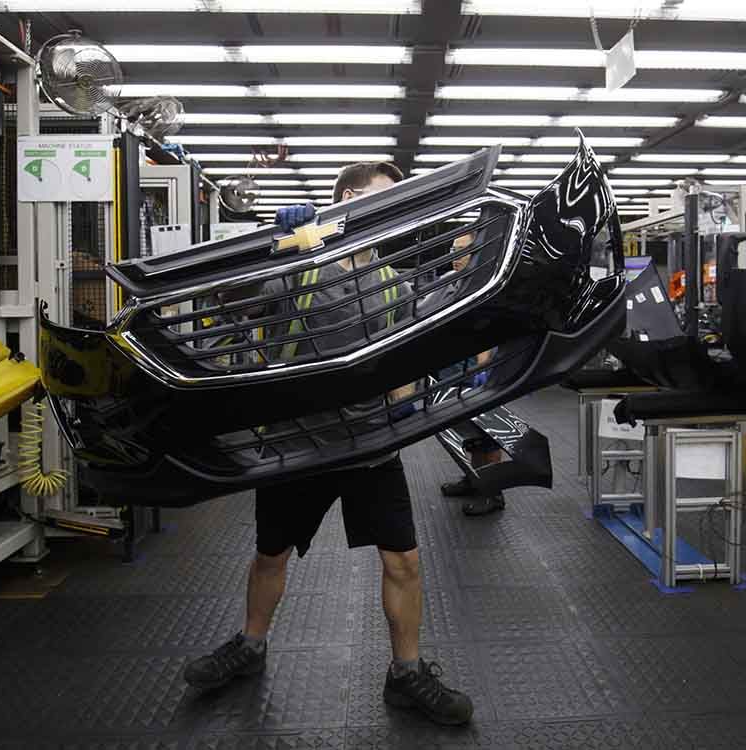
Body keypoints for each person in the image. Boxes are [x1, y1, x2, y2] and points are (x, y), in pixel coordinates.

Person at [183, 162, 475, 727]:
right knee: (272, 554)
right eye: (377, 198)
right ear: (344, 199)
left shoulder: (395, 282)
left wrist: (409, 398)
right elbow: (230, 296)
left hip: (371, 446)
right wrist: (278, 242)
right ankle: (250, 645)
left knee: (405, 562)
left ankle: (407, 673)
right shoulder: (301, 269)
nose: (389, 210)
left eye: (398, 201)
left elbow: (405, 357)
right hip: (301, 444)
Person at [428, 232, 507, 517]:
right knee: (466, 430)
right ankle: (474, 479)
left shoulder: (488, 282)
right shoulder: (445, 282)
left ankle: (492, 492)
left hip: (479, 369)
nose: (458, 255)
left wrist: (483, 367)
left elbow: (490, 330)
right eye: (454, 249)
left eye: (465, 250)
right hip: (450, 369)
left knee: (488, 431)